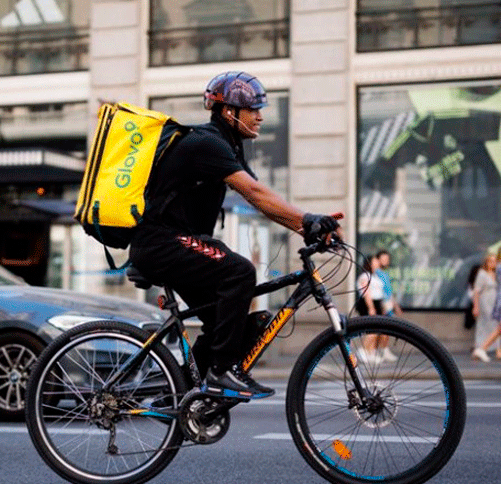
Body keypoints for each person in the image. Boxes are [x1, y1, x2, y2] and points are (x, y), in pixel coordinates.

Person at [128, 71, 341, 399]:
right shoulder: (207, 143)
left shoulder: (228, 147)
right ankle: (221, 371)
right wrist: (309, 219)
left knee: (228, 325)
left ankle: (181, 396)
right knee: (240, 271)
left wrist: (308, 228)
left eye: (260, 108)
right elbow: (256, 193)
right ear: (228, 112)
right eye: (252, 109)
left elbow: (265, 203)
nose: (260, 116)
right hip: (161, 243)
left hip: (175, 243)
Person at [470, 254, 501, 361]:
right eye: (490, 261)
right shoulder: (482, 274)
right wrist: (476, 306)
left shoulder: (496, 274)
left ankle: (497, 351)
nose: (493, 263)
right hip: (485, 303)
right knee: (487, 327)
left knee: (495, 325)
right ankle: (480, 349)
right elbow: (476, 291)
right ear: (486, 263)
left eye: (494, 261)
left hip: (495, 303)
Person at [355, 254, 385, 364]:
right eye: (375, 261)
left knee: (376, 331)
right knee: (372, 331)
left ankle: (370, 353)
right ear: (370, 263)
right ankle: (363, 351)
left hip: (376, 304)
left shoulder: (375, 276)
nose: (378, 262)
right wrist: (371, 307)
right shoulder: (365, 276)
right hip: (368, 304)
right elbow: (366, 293)